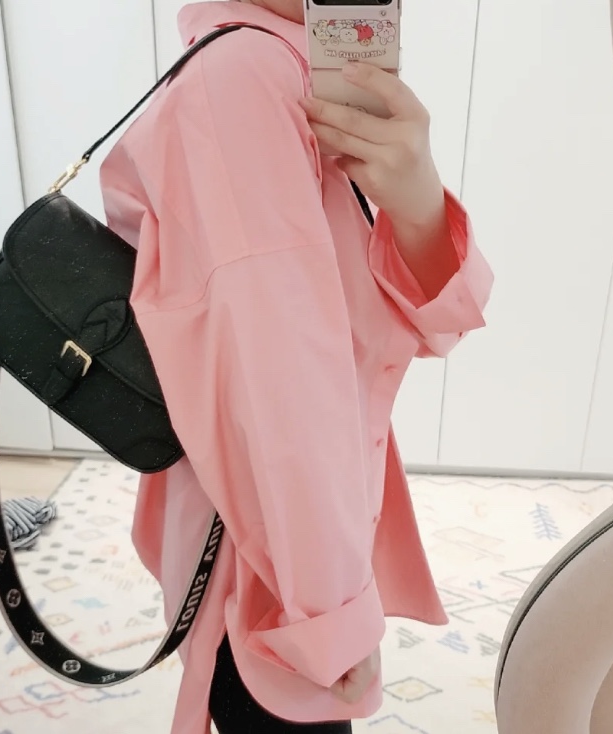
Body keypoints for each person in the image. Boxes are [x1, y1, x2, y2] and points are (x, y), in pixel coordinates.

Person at [99, 1, 494, 732]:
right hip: (268, 555)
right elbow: (280, 376)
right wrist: (327, 611)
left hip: (292, 523)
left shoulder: (292, 66)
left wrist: (416, 203)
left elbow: (433, 324)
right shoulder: (240, 77)